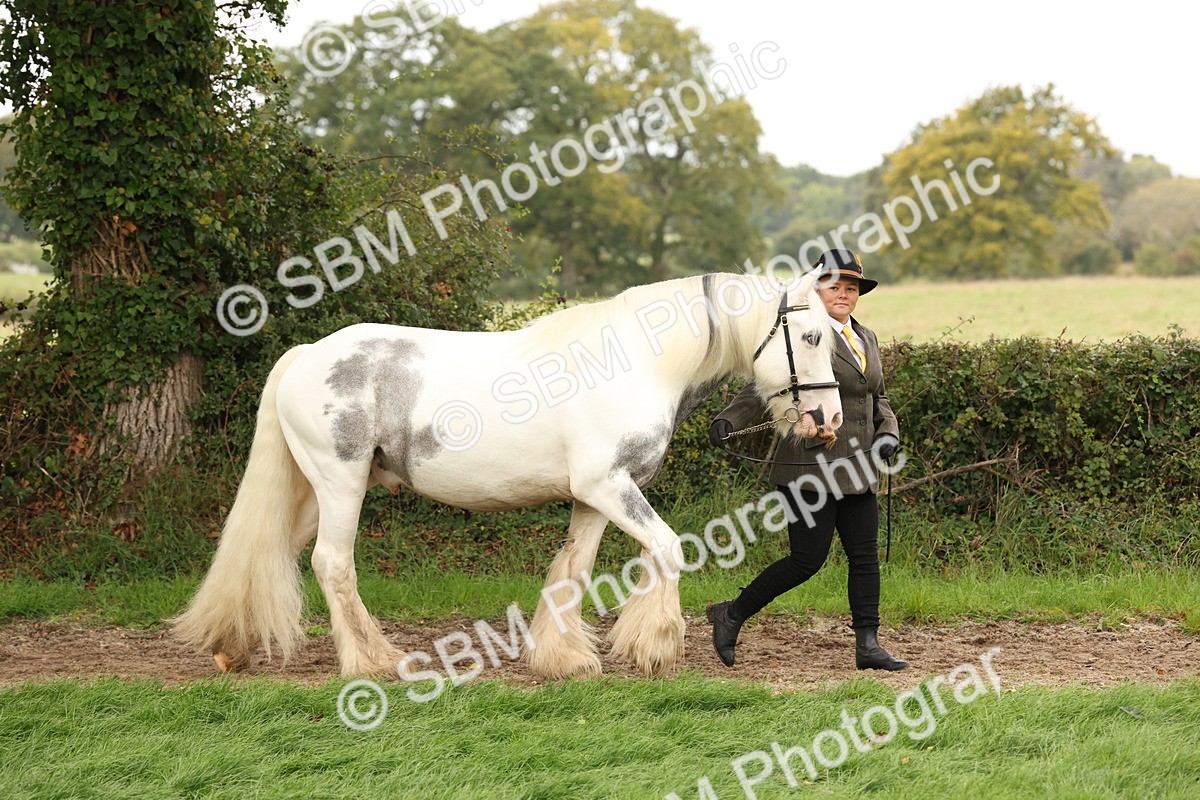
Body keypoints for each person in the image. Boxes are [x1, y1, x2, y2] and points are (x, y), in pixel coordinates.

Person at [706, 249, 908, 671]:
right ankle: (732, 612)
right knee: (806, 561)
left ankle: (868, 646)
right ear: (816, 289)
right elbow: (768, 384)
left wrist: (888, 434)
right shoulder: (801, 331)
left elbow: (878, 397)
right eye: (835, 286)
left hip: (860, 467)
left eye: (851, 288)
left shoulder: (865, 337)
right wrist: (729, 419)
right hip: (809, 467)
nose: (844, 294)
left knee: (865, 556)